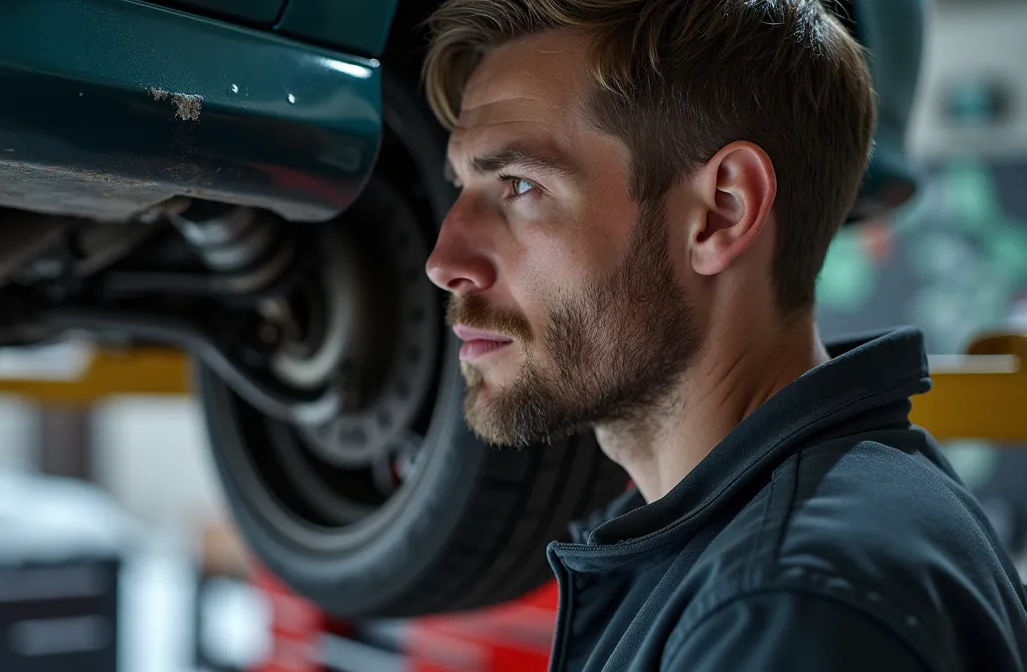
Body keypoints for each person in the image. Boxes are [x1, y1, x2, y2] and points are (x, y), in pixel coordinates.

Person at [421, 1, 1027, 670]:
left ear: (721, 214)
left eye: (519, 185)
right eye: (462, 186)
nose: (444, 262)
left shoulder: (786, 607)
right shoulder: (773, 547)